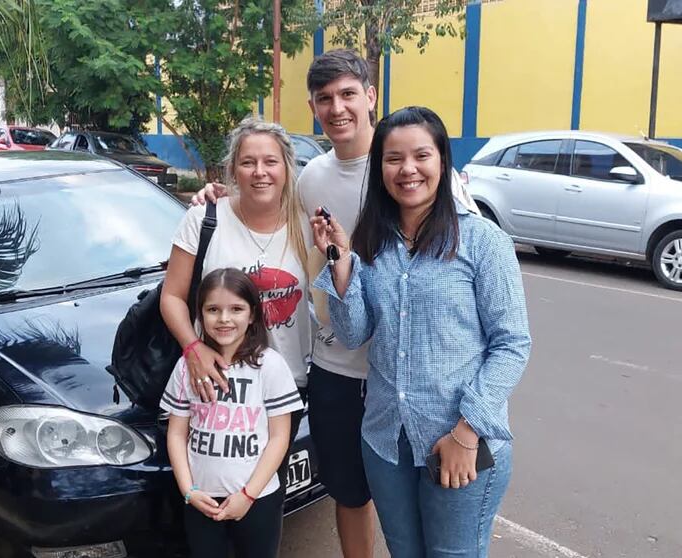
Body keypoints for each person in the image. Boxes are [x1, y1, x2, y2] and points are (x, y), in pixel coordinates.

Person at [192, 50, 480, 558]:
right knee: (349, 493)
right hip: (336, 369)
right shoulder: (311, 179)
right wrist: (215, 195)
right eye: (325, 99)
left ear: (371, 97)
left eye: (349, 94)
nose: (338, 108)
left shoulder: (412, 167)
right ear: (313, 107)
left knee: (424, 508)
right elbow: (266, 212)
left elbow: (470, 261)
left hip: (414, 375)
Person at [311, 105, 531, 557]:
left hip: (460, 443)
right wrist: (342, 263)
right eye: (393, 159)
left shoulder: (483, 242)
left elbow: (512, 345)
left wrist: (466, 433)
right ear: (380, 170)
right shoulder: (372, 242)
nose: (407, 169)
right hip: (386, 440)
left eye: (421, 155)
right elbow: (354, 333)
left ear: (442, 161)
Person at [160, 116, 311, 447]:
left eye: (270, 161)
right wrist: (193, 347)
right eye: (248, 162)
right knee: (217, 480)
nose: (260, 172)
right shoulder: (204, 218)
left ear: (286, 168)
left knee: (270, 488)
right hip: (217, 377)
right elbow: (172, 296)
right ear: (233, 169)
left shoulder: (307, 224)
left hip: (286, 383)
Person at [161, 268, 304, 558]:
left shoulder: (270, 366)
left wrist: (248, 495)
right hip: (201, 500)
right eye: (213, 309)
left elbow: (279, 438)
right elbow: (177, 433)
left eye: (236, 309)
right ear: (200, 314)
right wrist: (189, 491)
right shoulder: (187, 367)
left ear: (252, 314)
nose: (224, 319)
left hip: (257, 499)